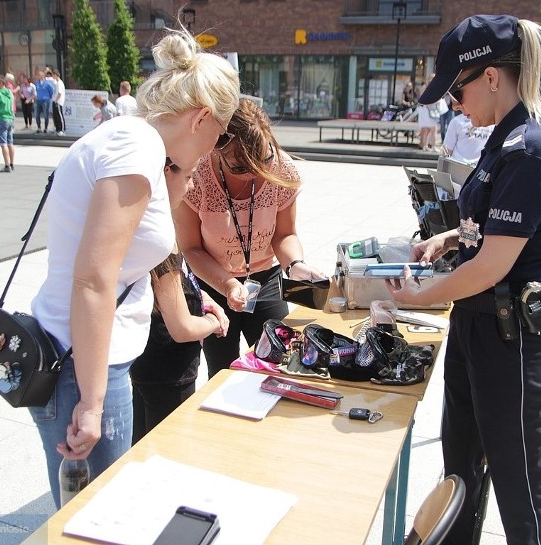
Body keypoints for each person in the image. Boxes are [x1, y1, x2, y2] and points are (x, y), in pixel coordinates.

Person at [27, 26, 239, 509]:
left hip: (84, 359)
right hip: (82, 365)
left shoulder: (133, 141)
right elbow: (94, 278)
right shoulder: (136, 146)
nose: (210, 153)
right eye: (216, 138)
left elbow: (122, 262)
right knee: (100, 516)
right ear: (201, 119)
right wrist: (92, 400)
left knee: (95, 511)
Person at [388, 15, 541, 545]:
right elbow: (487, 229)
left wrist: (421, 296)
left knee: (518, 479)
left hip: (510, 330)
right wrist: (448, 241)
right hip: (481, 322)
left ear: (491, 76)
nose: (454, 103)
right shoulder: (504, 138)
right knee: (460, 466)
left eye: (458, 88)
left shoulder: (531, 147)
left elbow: (495, 264)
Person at [177, 99, 328, 378]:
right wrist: (228, 284)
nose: (255, 174)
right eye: (240, 167)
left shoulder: (282, 167)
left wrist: (295, 264)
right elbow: (190, 248)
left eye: (263, 160)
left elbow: (285, 234)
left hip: (266, 279)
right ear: (216, 147)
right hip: (214, 284)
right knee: (222, 373)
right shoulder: (195, 175)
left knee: (280, 365)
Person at [129, 242, 230, 442]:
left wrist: (204, 298)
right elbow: (183, 330)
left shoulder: (149, 242)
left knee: (141, 444)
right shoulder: (163, 249)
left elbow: (176, 289)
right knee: (168, 448)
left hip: (147, 364)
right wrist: (213, 322)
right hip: (169, 373)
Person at [34, 69, 54, 134]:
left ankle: (46, 128)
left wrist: (48, 97)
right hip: (38, 100)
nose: (38, 76)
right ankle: (39, 128)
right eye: (38, 75)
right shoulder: (37, 83)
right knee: (37, 114)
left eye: (39, 75)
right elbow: (36, 90)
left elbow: (51, 91)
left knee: (46, 115)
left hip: (45, 100)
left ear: (42, 76)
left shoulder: (47, 83)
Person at [51, 69, 66, 136]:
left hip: (58, 102)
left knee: (59, 115)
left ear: (56, 75)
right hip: (55, 101)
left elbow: (59, 93)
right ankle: (57, 129)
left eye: (53, 75)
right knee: (55, 116)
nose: (53, 77)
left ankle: (62, 129)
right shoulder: (56, 83)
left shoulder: (60, 83)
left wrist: (56, 100)